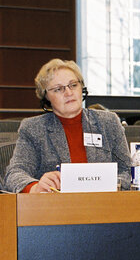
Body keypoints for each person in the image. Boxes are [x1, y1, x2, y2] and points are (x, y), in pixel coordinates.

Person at [4, 59, 131, 193]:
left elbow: (128, 170)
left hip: (104, 204)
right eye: (58, 89)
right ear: (46, 97)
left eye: (73, 85)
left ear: (82, 87)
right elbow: (14, 174)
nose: (69, 93)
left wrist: (107, 184)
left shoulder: (108, 122)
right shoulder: (33, 128)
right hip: (55, 208)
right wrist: (36, 187)